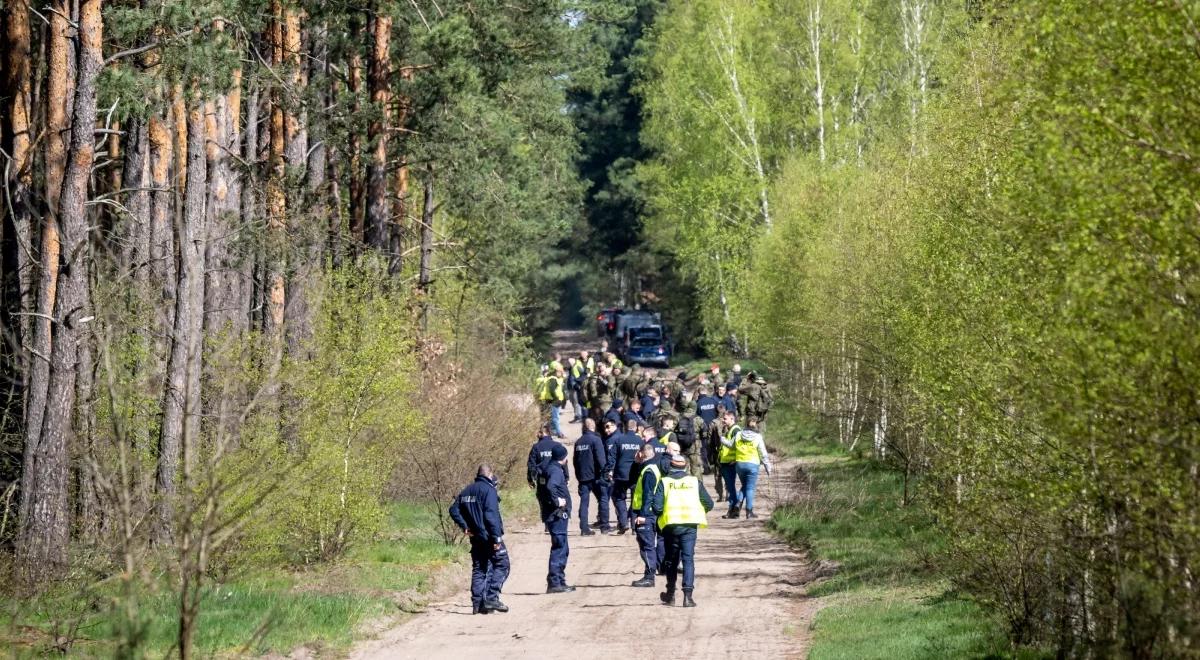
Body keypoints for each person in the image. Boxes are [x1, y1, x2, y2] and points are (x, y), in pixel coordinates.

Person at [448, 464, 511, 614]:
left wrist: (464, 527)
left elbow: (453, 510)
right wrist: (496, 538)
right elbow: (491, 516)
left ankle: (477, 604)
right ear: (489, 474)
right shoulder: (489, 490)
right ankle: (491, 597)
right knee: (503, 565)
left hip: (475, 537)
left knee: (480, 568)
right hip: (489, 536)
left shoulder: (467, 490)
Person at [653, 453, 714, 607]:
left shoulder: (664, 482)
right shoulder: (694, 482)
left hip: (671, 527)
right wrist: (697, 512)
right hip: (690, 527)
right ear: (686, 467)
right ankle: (688, 597)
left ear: (670, 467)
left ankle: (671, 594)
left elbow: (657, 507)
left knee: (672, 561)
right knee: (688, 559)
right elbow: (709, 503)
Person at [536, 444, 574, 593]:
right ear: (563, 458)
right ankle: (555, 582)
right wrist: (558, 501)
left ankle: (559, 580)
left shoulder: (547, 468)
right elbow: (551, 487)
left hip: (551, 514)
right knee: (560, 547)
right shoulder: (555, 471)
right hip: (557, 514)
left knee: (562, 547)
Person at [630, 444, 663, 587]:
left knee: (646, 545)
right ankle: (649, 573)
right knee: (648, 544)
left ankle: (650, 577)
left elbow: (648, 494)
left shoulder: (649, 471)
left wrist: (642, 514)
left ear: (642, 453)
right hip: (650, 512)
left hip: (646, 513)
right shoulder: (650, 468)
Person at [574, 419, 611, 535]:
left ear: (584, 427)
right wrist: (606, 473)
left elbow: (575, 461)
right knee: (603, 499)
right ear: (593, 427)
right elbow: (601, 459)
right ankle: (604, 526)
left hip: (583, 477)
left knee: (584, 502)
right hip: (596, 476)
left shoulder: (578, 442)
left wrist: (578, 475)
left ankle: (584, 528)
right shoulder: (596, 440)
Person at [731, 421, 771, 518]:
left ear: (745, 425)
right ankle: (749, 511)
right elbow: (763, 453)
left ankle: (738, 504)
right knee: (749, 488)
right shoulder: (758, 436)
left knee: (745, 485)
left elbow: (730, 445)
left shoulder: (739, 434)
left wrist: (722, 439)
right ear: (756, 427)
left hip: (740, 464)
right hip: (752, 464)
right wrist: (768, 468)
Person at [716, 410, 741, 516]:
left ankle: (733, 509)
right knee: (730, 487)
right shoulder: (729, 429)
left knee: (730, 487)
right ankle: (733, 510)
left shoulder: (736, 430)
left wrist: (735, 459)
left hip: (730, 463)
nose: (723, 420)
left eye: (725, 418)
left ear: (732, 418)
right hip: (725, 462)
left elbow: (739, 446)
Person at [547, 365, 567, 438]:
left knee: (554, 417)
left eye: (560, 372)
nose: (559, 373)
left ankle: (554, 432)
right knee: (555, 418)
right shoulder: (553, 379)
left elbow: (562, 390)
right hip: (555, 401)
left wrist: (563, 400)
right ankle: (559, 433)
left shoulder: (559, 379)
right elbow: (552, 390)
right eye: (558, 371)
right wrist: (556, 398)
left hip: (558, 401)